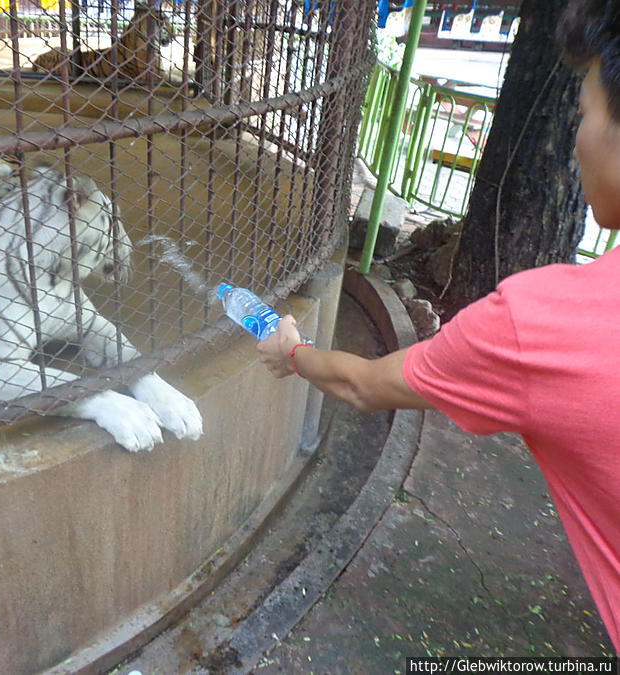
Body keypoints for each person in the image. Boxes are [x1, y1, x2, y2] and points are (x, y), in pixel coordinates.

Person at [257, 0, 620, 652]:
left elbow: (369, 385)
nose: (575, 137)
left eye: (586, 113)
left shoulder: (539, 325)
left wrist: (294, 352)